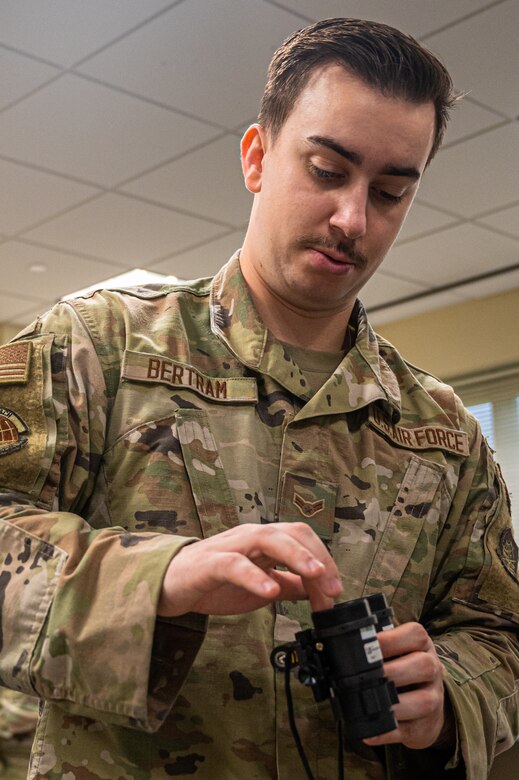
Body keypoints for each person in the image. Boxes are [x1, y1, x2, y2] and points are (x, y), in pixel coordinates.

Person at [0, 17, 517, 780]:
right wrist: (159, 579)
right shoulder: (97, 345)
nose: (352, 219)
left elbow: (498, 635)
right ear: (256, 157)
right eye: (326, 170)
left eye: (389, 191)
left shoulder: (440, 427)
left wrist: (450, 694)